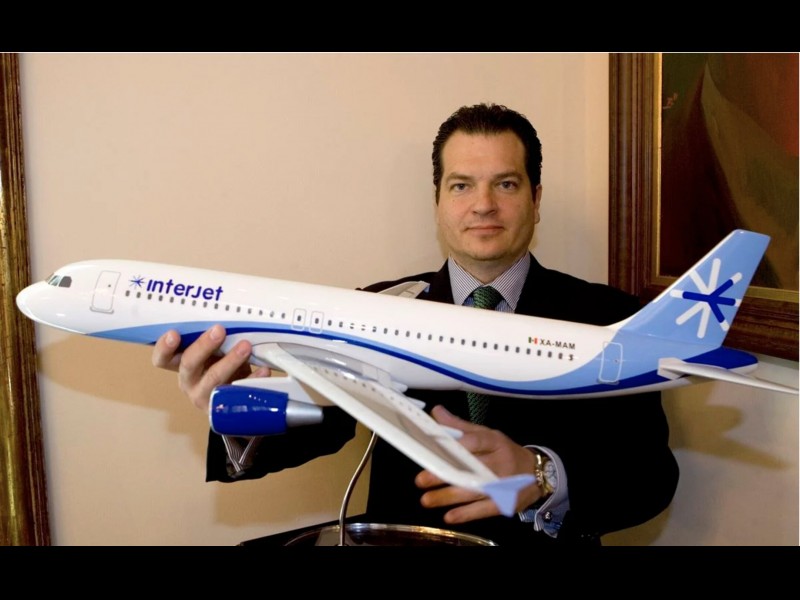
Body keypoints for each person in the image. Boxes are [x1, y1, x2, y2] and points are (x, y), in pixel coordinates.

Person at [152, 103, 679, 546]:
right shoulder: (376, 307)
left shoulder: (608, 318)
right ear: (438, 202)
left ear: (536, 199)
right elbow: (319, 422)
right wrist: (249, 408)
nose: (483, 205)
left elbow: (650, 478)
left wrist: (543, 475)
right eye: (461, 185)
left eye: (506, 184)